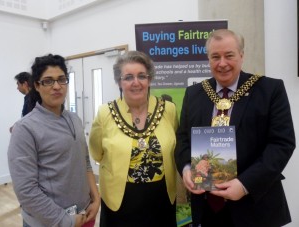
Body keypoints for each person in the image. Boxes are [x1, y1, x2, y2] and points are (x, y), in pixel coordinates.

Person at [175, 29, 295, 227]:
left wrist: (245, 184)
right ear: (208, 59)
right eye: (215, 57)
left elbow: (281, 144)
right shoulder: (194, 93)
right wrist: (187, 169)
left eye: (229, 55)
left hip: (255, 207)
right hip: (206, 208)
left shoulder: (269, 90)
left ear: (241, 55)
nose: (222, 63)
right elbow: (183, 140)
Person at [7, 54, 100, 227]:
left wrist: (96, 198)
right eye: (48, 81)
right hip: (50, 222)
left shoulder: (74, 119)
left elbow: (85, 162)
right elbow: (26, 191)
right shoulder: (25, 129)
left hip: (84, 215)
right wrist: (65, 221)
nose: (56, 86)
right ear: (37, 85)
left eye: (61, 79)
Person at [89, 50, 178, 227]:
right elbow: (96, 152)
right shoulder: (105, 113)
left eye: (141, 76)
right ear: (119, 82)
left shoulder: (168, 109)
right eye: (128, 77)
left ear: (149, 79)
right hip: (120, 199)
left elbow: (173, 147)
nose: (135, 83)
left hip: (161, 196)